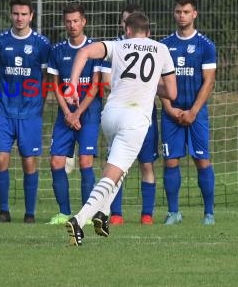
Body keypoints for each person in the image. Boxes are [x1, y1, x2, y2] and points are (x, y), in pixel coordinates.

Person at [65, 12, 176, 246]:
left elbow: (83, 52)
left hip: (111, 115)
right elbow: (172, 93)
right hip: (136, 119)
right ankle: (79, 219)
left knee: (120, 168)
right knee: (112, 173)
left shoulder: (118, 45)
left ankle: (102, 214)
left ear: (127, 30)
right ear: (149, 32)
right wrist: (149, 86)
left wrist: (73, 84)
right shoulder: (162, 49)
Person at [0, 0, 51, 223]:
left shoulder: (42, 45)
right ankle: (4, 210)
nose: (19, 18)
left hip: (30, 113)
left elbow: (45, 79)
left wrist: (39, 104)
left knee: (29, 162)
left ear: (31, 16)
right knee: (0, 159)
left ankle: (29, 213)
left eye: (24, 14)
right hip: (3, 111)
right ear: (10, 14)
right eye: (16, 13)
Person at [160, 0, 217, 225]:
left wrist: (193, 111)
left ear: (195, 14)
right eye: (178, 11)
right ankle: (174, 212)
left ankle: (209, 213)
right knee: (170, 161)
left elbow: (209, 82)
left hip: (197, 114)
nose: (181, 15)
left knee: (202, 161)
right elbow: (159, 82)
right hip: (170, 113)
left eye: (185, 11)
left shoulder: (206, 45)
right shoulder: (163, 46)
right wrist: (170, 109)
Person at [46, 3, 102, 225]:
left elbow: (96, 86)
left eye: (76, 20)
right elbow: (56, 86)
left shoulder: (95, 49)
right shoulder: (57, 51)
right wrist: (68, 113)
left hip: (88, 114)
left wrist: (77, 112)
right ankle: (64, 213)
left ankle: (86, 214)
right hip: (65, 115)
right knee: (56, 161)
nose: (72, 25)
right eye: (68, 21)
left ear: (84, 21)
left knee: (85, 162)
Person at [103, 3, 159, 225]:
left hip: (144, 114)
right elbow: (106, 81)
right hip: (120, 111)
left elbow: (163, 83)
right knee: (117, 164)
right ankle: (115, 213)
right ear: (123, 26)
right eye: (125, 20)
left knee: (147, 164)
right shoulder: (114, 48)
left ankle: (147, 214)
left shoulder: (155, 50)